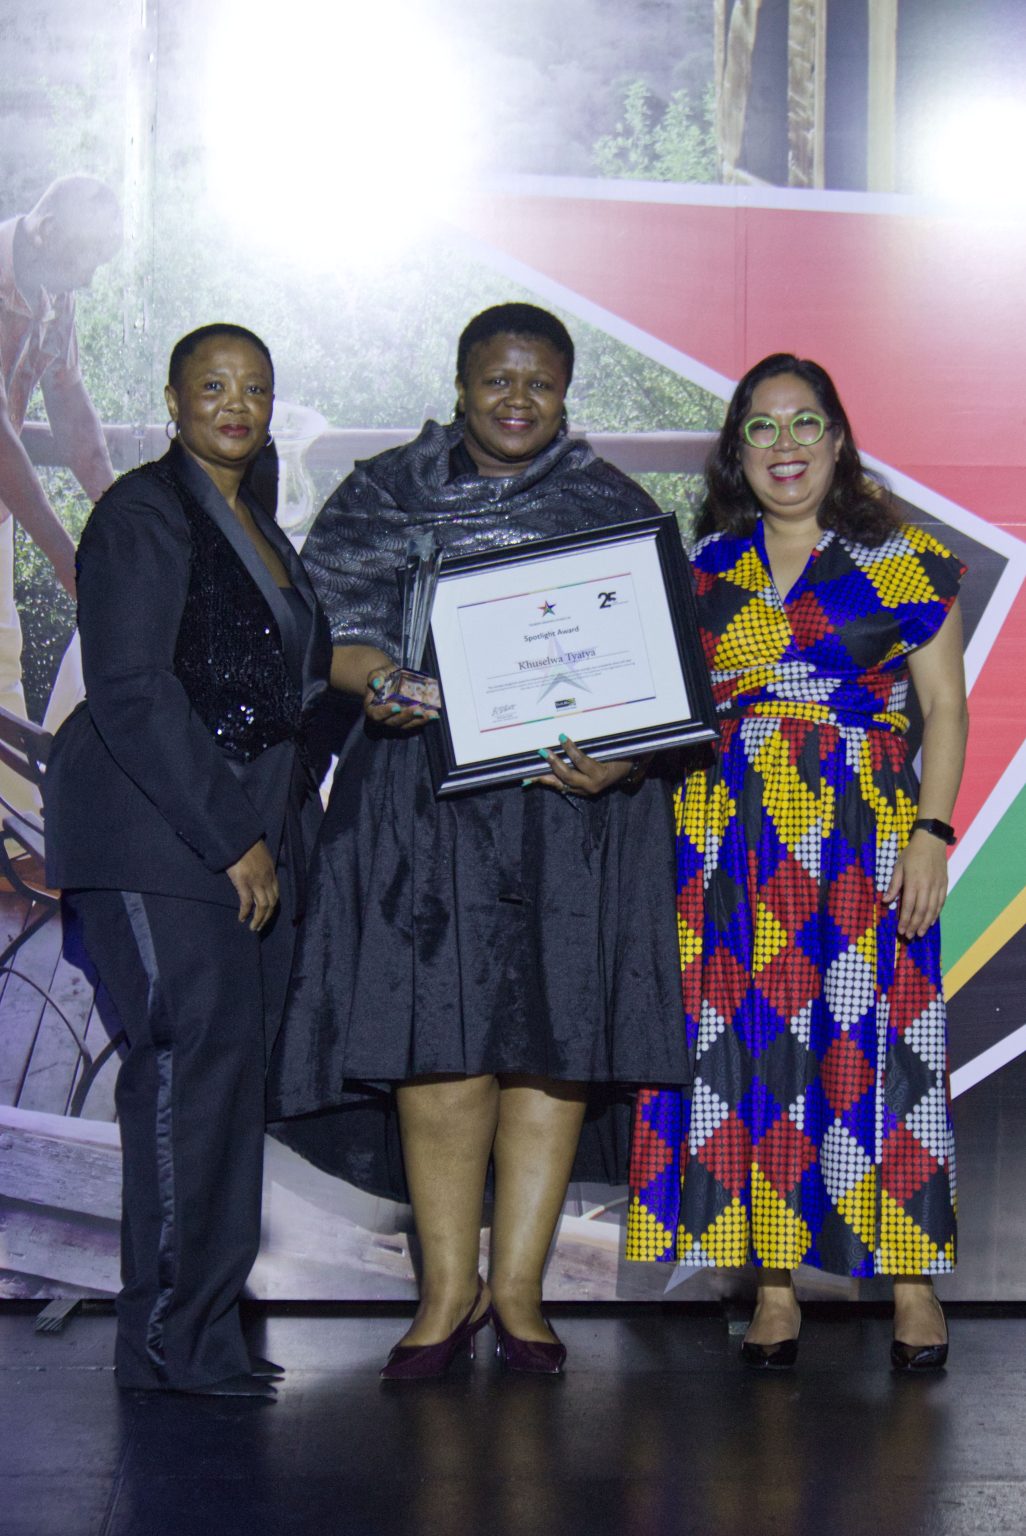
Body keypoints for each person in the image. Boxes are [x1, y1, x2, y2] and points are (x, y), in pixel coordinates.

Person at [270, 302, 689, 1377]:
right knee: (440, 1045)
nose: (517, 400)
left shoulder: (613, 504)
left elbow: (663, 678)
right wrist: (386, 679)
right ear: (460, 386)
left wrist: (625, 760)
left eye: (539, 382)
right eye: (497, 379)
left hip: (571, 812)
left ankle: (520, 1297)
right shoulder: (383, 493)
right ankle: (445, 1295)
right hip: (422, 803)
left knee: (551, 1047)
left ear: (565, 394)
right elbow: (326, 637)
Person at [626, 354, 968, 1371]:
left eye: (805, 422)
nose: (785, 445)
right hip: (732, 838)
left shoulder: (903, 558)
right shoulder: (703, 569)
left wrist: (934, 833)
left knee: (883, 1046)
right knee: (753, 1049)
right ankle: (772, 1288)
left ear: (838, 439)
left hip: (865, 832)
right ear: (737, 451)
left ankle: (911, 1285)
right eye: (762, 427)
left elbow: (944, 707)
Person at [44, 324, 331, 1399]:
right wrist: (234, 838)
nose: (235, 403)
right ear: (172, 400)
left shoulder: (256, 523)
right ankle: (170, 1343)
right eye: (212, 385)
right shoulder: (141, 513)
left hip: (230, 833)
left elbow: (288, 683)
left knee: (221, 1081)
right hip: (155, 833)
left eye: (254, 387)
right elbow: (131, 690)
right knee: (187, 1074)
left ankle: (203, 1332)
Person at [0, 175, 122, 804]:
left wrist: (123, 514)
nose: (91, 280)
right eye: (86, 259)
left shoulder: (54, 290)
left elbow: (70, 404)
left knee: (2, 666)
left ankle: (15, 835)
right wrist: (62, 556)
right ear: (47, 232)